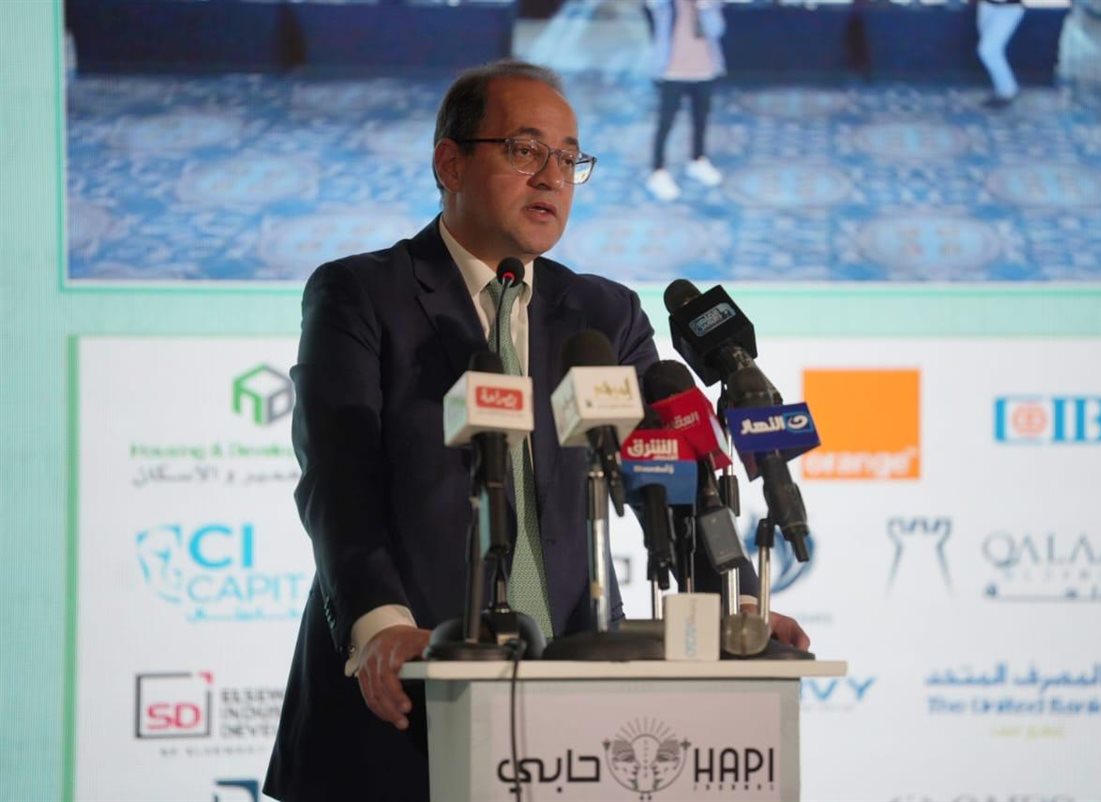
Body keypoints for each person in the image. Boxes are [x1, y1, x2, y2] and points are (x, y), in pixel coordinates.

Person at [263, 59, 808, 802]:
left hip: (570, 716)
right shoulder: (363, 294)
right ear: (450, 162)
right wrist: (381, 628)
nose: (552, 176)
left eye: (568, 158)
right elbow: (338, 480)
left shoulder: (605, 314)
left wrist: (734, 609)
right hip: (401, 701)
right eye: (525, 150)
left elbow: (671, 477)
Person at [645, 0, 727, 202]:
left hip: (704, 70)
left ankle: (698, 159)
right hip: (673, 72)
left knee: (701, 119)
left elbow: (717, 30)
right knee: (666, 123)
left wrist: (705, 8)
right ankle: (658, 171)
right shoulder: (665, 4)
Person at [976, 0, 1026, 109]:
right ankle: (1003, 89)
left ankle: (1008, 91)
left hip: (1009, 8)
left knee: (988, 51)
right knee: (991, 51)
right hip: (986, 6)